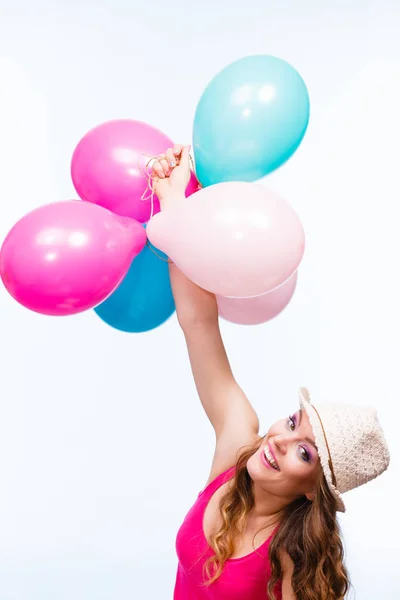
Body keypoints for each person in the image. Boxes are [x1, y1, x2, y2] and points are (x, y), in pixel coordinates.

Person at [150, 146, 390, 600]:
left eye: (305, 454)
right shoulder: (236, 445)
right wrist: (173, 203)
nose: (280, 441)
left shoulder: (292, 558)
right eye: (295, 424)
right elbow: (199, 323)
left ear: (311, 493)